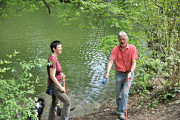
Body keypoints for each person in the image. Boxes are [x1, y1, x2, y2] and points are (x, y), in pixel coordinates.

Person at [105, 31, 138, 120]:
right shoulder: (115, 49)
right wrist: (107, 73)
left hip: (129, 73)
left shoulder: (132, 48)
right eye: (120, 39)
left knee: (124, 93)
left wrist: (131, 72)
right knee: (118, 94)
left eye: (123, 39)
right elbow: (111, 62)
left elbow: (134, 62)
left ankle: (121, 112)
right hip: (119, 74)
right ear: (118, 40)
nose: (122, 41)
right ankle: (119, 109)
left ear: (127, 39)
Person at [47, 40, 71, 120]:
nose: (61, 48)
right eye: (59, 47)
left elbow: (55, 71)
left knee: (54, 104)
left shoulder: (54, 58)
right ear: (54, 49)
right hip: (55, 86)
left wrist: (61, 74)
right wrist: (60, 87)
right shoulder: (52, 60)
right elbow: (52, 76)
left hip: (54, 85)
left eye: (61, 47)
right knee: (67, 102)